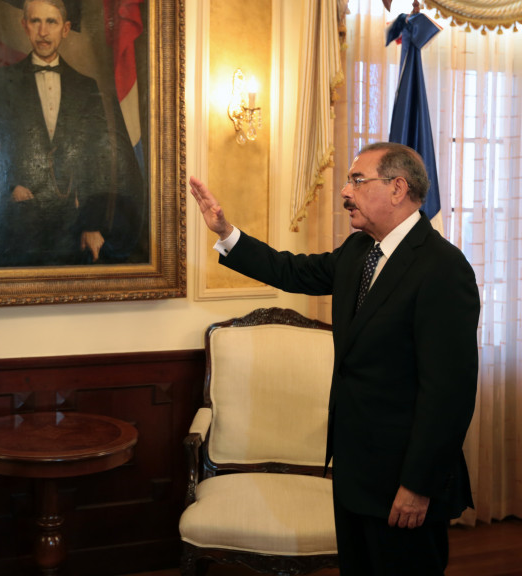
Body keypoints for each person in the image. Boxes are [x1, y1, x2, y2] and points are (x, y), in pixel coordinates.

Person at [190, 142, 480, 576]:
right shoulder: (360, 251)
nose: (345, 191)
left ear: (397, 188)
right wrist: (227, 233)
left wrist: (418, 485)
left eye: (357, 180)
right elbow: (291, 270)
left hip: (402, 481)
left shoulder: (442, 268)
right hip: (353, 474)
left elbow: (448, 395)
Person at [0, 0, 144, 268]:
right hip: (15, 227)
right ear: (25, 26)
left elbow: (98, 162)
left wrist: (92, 224)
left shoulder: (86, 87)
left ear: (65, 29)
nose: (43, 31)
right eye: (36, 21)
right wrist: (8, 186)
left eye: (51, 22)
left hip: (73, 228)